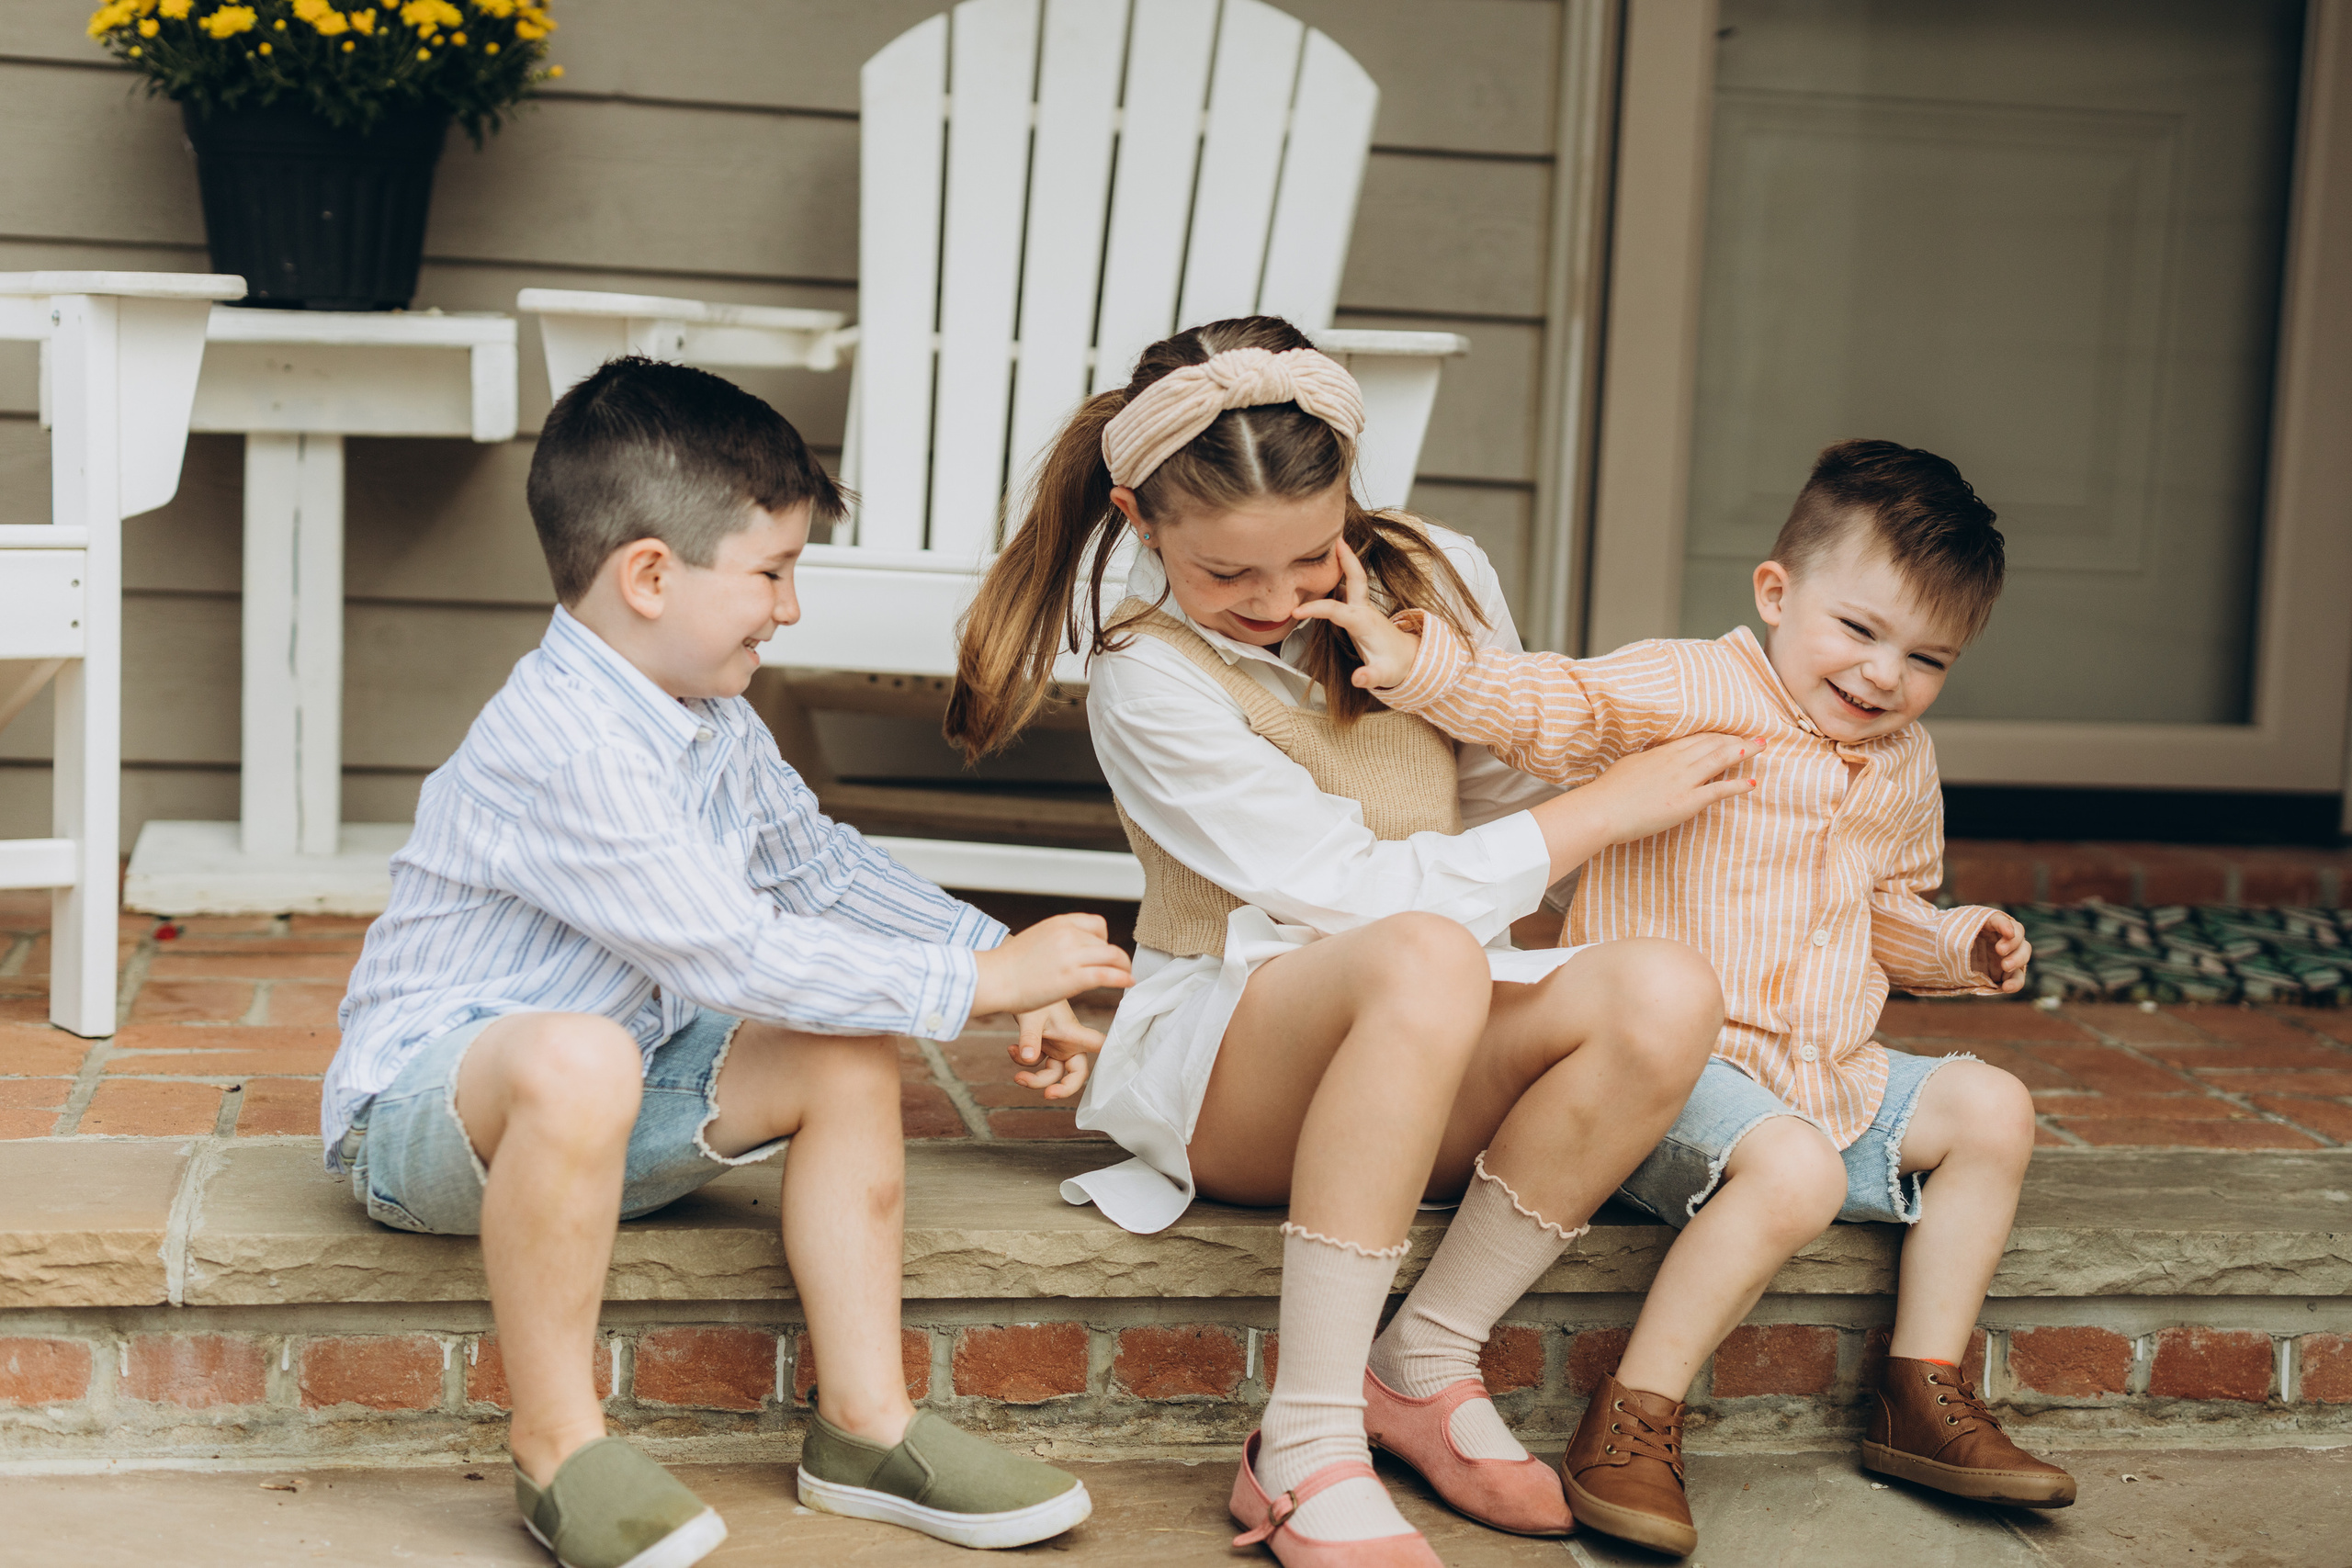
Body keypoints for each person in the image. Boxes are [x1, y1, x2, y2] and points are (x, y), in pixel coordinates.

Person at [948, 315, 1759, 1566]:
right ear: (1141, 514)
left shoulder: (1440, 570)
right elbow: (1345, 893)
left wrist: (1430, 674)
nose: (1275, 601)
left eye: (1308, 558)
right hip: (1234, 1059)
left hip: (1417, 1028)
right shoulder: (1146, 673)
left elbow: (1496, 794)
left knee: (1663, 990)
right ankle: (1306, 1436)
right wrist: (1603, 813)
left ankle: (1423, 1360)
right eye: (1231, 575)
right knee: (1422, 945)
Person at [324, 358, 1131, 1568]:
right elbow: (737, 948)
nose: (791, 607)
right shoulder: (567, 743)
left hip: (622, 1088)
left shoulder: (711, 713)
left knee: (838, 1044)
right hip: (430, 1123)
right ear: (650, 574)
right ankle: (558, 1446)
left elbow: (818, 871)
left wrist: (995, 950)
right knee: (582, 1053)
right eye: (773, 572)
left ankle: (866, 1426)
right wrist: (976, 990)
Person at [1305, 437, 2075, 1556]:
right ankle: (1635, 1415)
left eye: (1926, 659)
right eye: (1857, 631)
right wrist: (1418, 663)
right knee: (1798, 1171)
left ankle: (1925, 1389)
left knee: (1996, 1106)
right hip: (1671, 1082)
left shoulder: (1905, 762)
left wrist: (1960, 943)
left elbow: (1887, 907)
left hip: (1820, 1073)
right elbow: (1552, 707)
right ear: (1776, 591)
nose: (1880, 677)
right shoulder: (1694, 685)